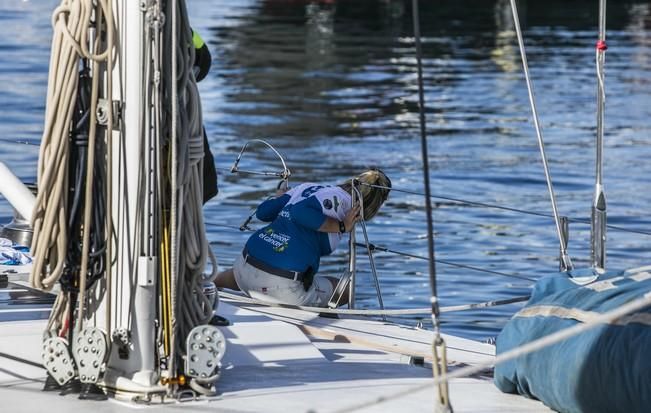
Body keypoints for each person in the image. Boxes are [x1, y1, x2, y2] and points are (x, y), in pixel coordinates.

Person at [215, 168, 391, 307]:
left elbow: (262, 213)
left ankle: (198, 287)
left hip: (243, 267)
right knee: (345, 290)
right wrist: (342, 226)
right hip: (281, 288)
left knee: (240, 274)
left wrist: (280, 199)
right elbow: (300, 213)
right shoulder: (342, 204)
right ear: (375, 204)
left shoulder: (307, 188)